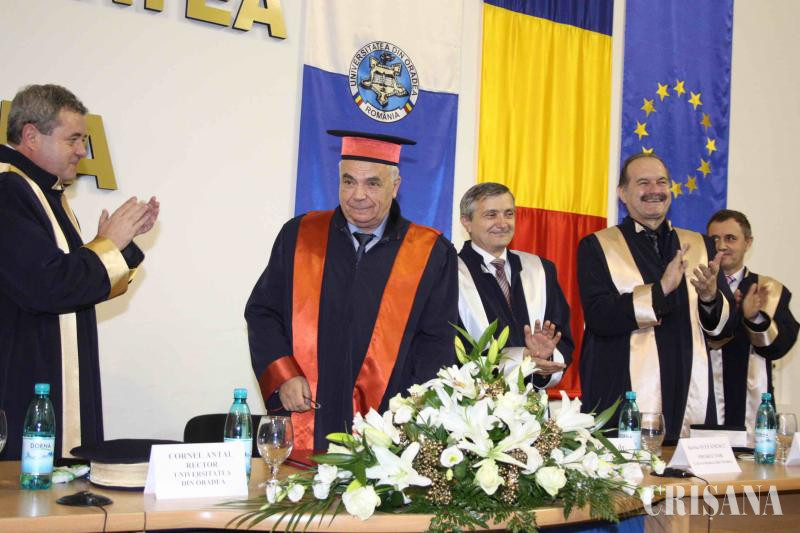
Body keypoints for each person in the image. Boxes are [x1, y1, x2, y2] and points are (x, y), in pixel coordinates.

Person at [245, 130, 458, 450]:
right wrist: (283, 374)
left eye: (372, 183)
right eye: (348, 181)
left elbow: (437, 344)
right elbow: (263, 312)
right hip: (307, 412)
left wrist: (411, 416)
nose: (358, 195)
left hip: (388, 426)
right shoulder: (300, 236)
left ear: (395, 187)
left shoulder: (430, 253)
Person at [0, 84, 159, 460]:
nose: (82, 151)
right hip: (23, 372)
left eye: (83, 140)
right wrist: (106, 245)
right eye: (73, 139)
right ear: (31, 136)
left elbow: (74, 285)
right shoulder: (8, 190)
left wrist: (118, 246)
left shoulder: (44, 193)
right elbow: (47, 286)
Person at [577, 153, 734, 441]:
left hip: (689, 385)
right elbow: (599, 317)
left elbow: (724, 329)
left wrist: (711, 298)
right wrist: (660, 290)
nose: (655, 190)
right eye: (643, 183)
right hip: (623, 389)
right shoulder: (597, 246)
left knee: (688, 468)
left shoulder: (699, 245)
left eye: (662, 182)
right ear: (622, 193)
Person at [457, 182, 572, 388]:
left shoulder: (540, 270)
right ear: (466, 222)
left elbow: (562, 338)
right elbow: (447, 347)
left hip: (531, 401)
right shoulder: (449, 274)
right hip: (474, 400)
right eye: (491, 215)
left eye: (509, 214)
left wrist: (545, 356)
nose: (502, 223)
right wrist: (520, 358)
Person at [706, 209, 798, 439]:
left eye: (730, 238)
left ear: (748, 243)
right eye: (714, 239)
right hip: (702, 399)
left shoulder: (768, 290)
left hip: (749, 402)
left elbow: (780, 347)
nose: (721, 246)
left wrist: (754, 318)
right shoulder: (695, 285)